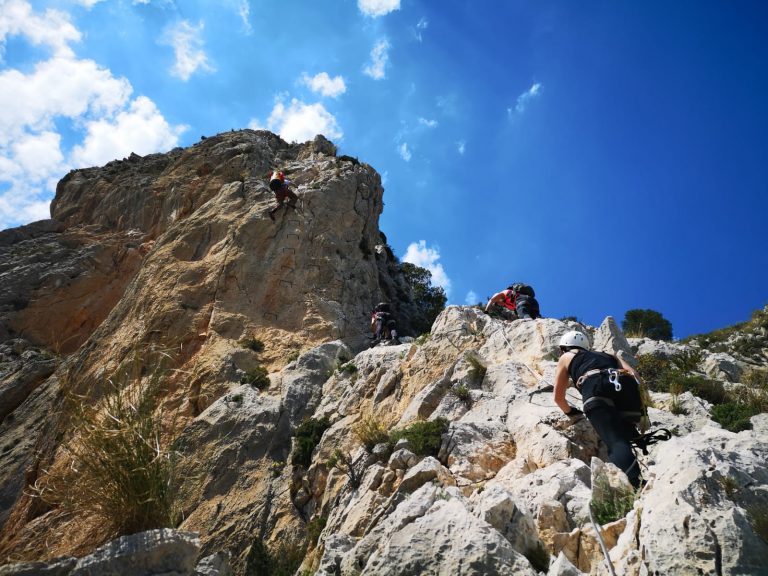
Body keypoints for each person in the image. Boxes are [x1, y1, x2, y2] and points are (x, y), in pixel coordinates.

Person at [553, 330, 644, 488]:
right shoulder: (609, 355)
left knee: (616, 442)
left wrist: (571, 412)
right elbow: (634, 375)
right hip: (627, 389)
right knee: (625, 434)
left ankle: (638, 485)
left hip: (596, 388)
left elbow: (558, 398)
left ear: (564, 348)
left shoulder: (566, 357)